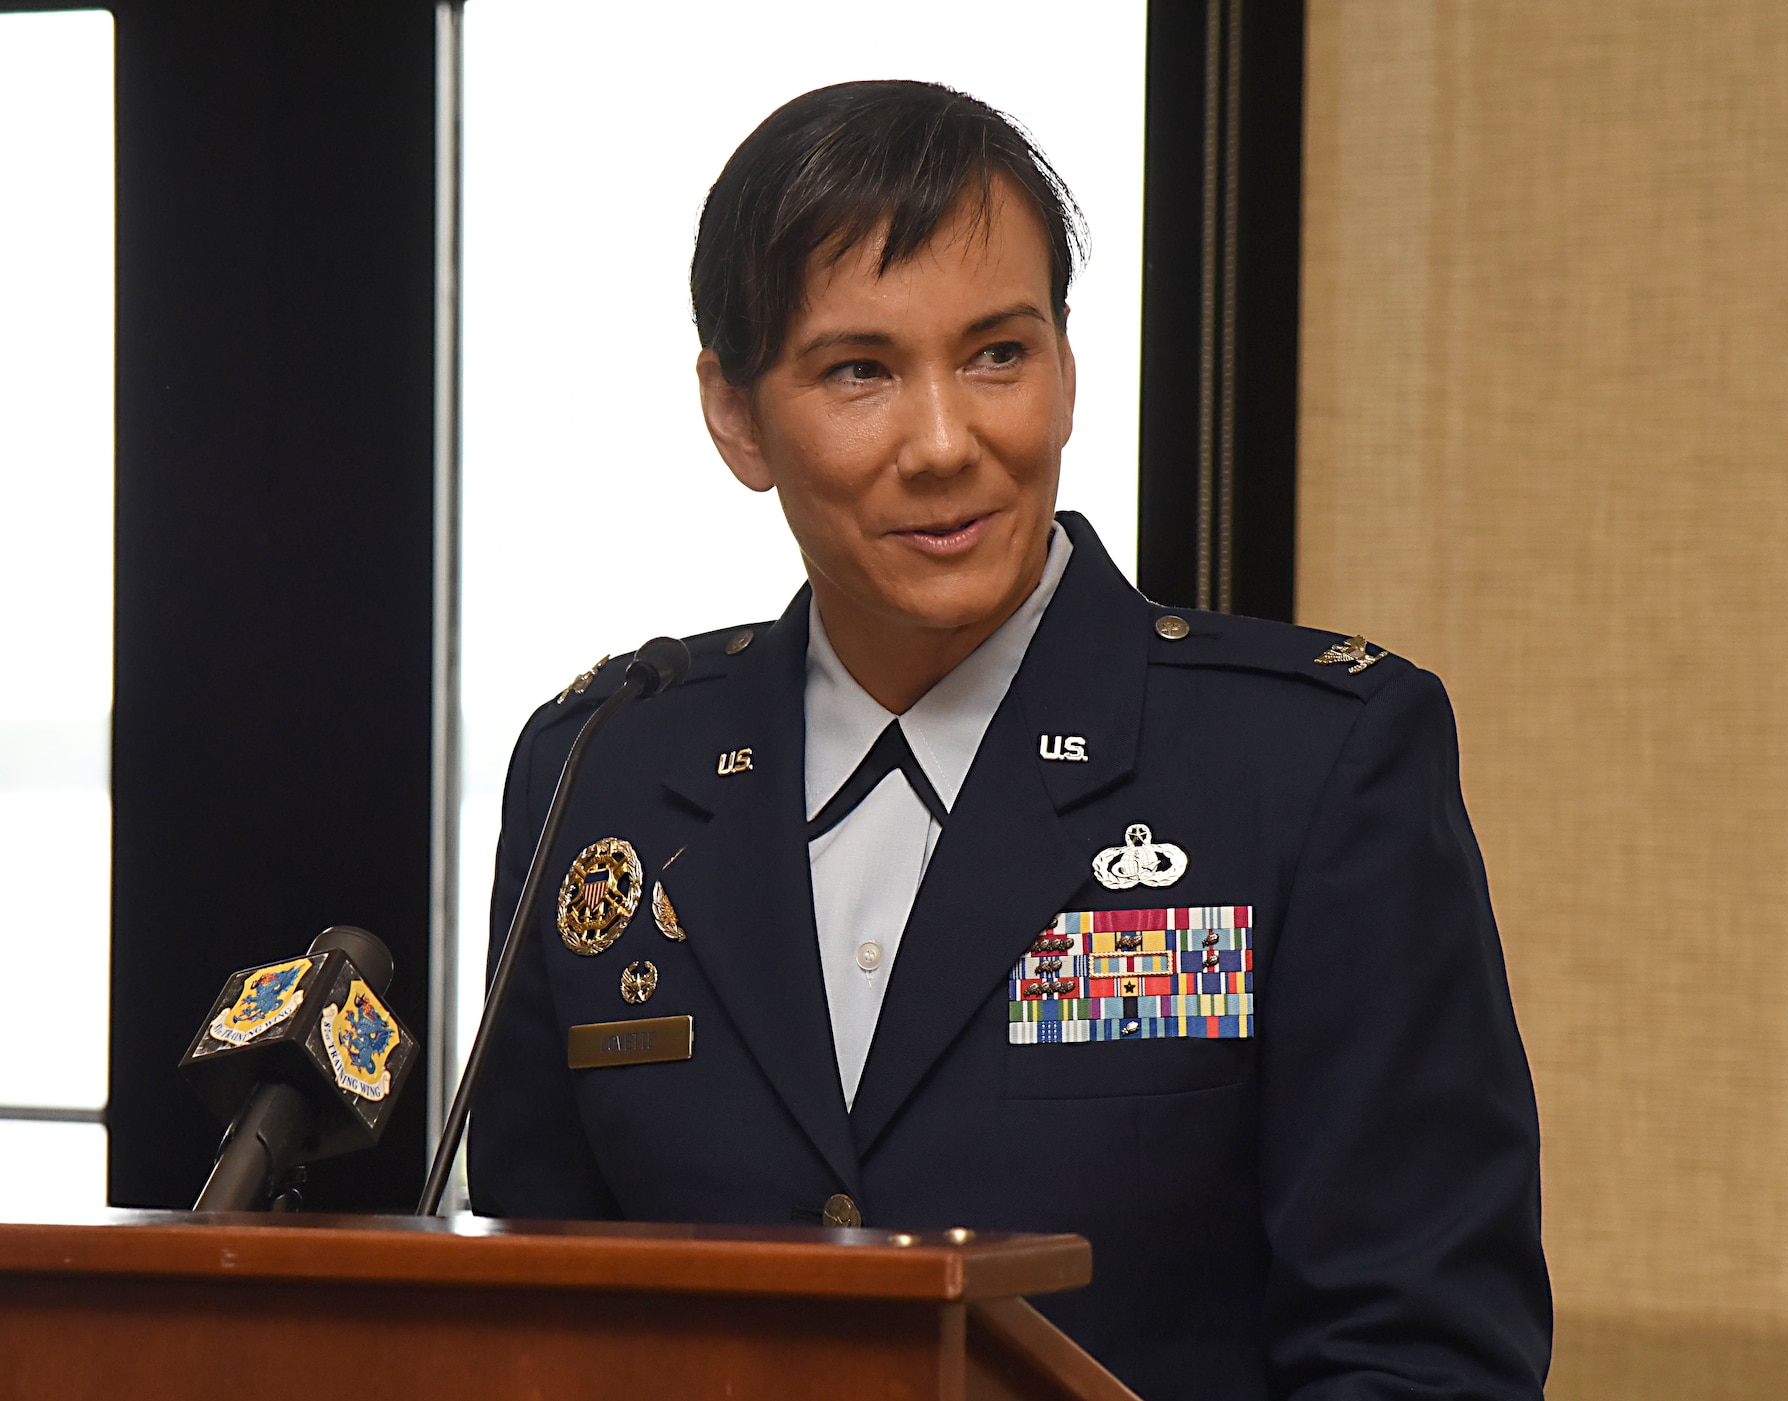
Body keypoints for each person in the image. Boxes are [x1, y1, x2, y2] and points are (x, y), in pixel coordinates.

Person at [468, 80, 1551, 1400]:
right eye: (859, 370)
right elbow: (529, 1324)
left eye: (998, 354)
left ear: (1067, 362)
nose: (946, 442)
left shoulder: (1310, 767)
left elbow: (1421, 1354)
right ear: (737, 414)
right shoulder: (606, 772)